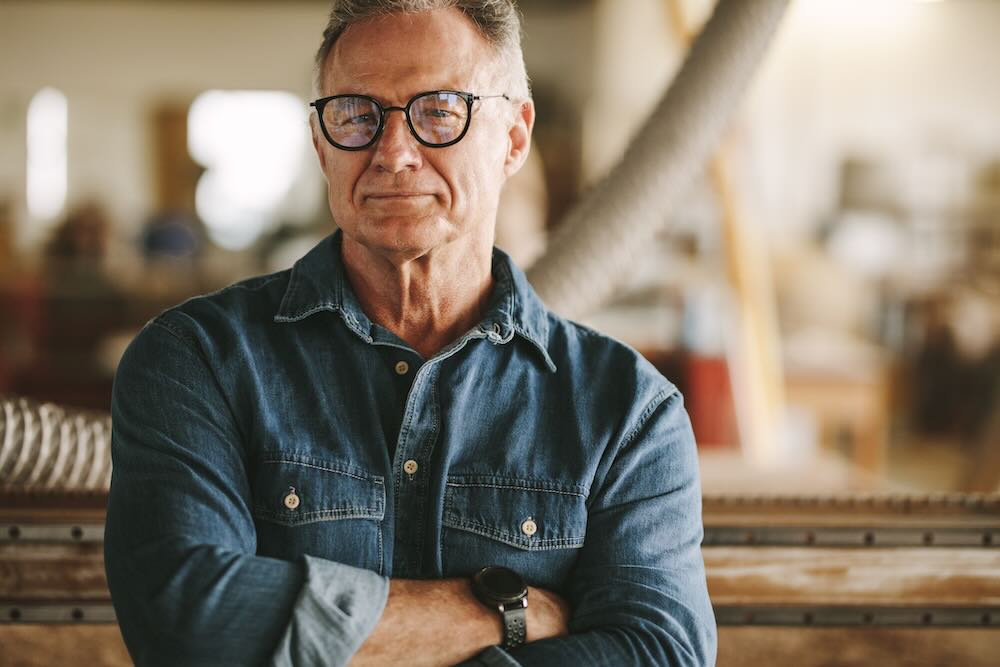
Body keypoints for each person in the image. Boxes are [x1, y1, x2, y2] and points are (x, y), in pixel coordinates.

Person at [104, 1, 716, 665]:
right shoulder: (197, 361)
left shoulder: (629, 412)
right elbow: (189, 625)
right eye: (355, 114)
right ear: (321, 145)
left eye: (440, 111)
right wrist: (503, 615)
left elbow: (661, 651)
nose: (393, 153)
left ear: (514, 137)